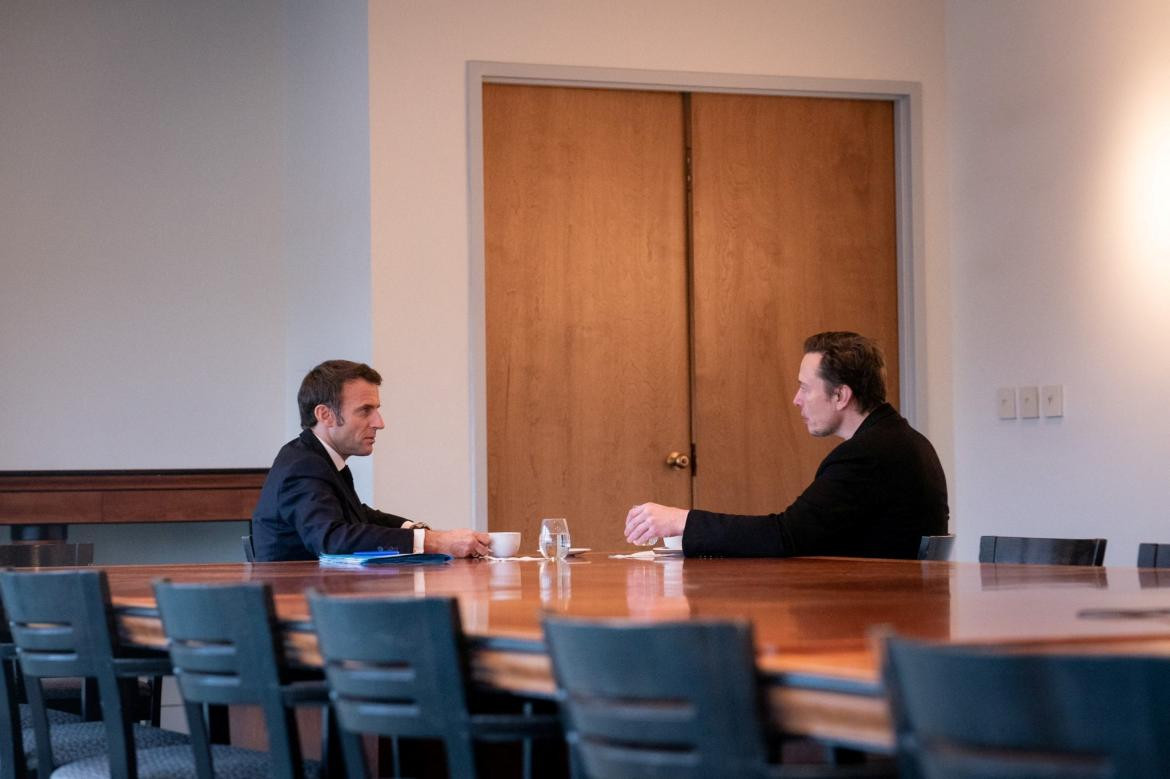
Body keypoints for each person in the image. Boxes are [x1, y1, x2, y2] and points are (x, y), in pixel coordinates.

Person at [625, 332, 948, 559]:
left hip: (870, 626)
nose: (796, 400)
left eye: (805, 389)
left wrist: (681, 520)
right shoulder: (903, 441)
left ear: (840, 396)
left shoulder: (869, 455)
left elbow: (785, 535)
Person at [252, 360, 490, 561]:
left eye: (376, 409)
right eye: (365, 410)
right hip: (305, 610)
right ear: (325, 415)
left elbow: (359, 516)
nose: (379, 422)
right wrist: (434, 542)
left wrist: (425, 533)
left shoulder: (314, 457)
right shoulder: (303, 465)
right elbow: (332, 539)